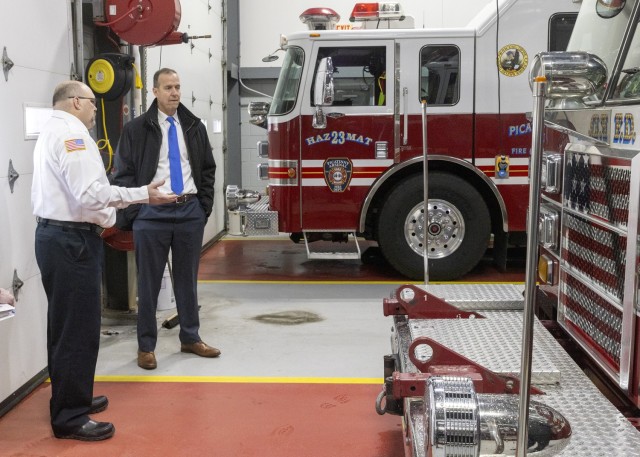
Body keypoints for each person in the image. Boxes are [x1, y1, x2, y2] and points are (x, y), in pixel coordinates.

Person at [31, 81, 176, 441]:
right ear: (76, 102)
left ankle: (71, 398)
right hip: (72, 242)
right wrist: (143, 194)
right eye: (93, 104)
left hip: (59, 238)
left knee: (65, 327)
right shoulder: (73, 136)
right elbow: (91, 194)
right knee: (77, 330)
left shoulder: (52, 129)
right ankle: (69, 417)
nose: (97, 111)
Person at [111, 68, 219, 371]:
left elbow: (207, 169)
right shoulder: (136, 130)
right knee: (148, 283)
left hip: (188, 212)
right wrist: (137, 210)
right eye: (168, 87)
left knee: (188, 280)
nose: (175, 93)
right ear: (155, 92)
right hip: (152, 214)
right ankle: (146, 346)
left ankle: (190, 337)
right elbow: (123, 174)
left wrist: (202, 207)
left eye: (178, 87)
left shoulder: (193, 127)